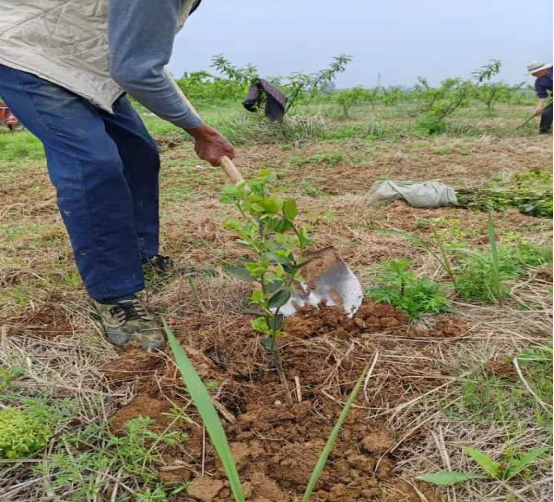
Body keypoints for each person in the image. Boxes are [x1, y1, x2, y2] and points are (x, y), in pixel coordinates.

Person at [0, 0, 235, 351]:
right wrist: (198, 130)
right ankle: (115, 294)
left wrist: (198, 125)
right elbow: (137, 71)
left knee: (138, 154)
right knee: (93, 165)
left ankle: (139, 256)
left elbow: (140, 56)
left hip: (83, 63)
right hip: (26, 53)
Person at [527, 61, 554, 134]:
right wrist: (539, 107)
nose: (533, 75)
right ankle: (544, 131)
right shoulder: (539, 82)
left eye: (534, 73)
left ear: (541, 70)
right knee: (546, 113)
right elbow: (542, 95)